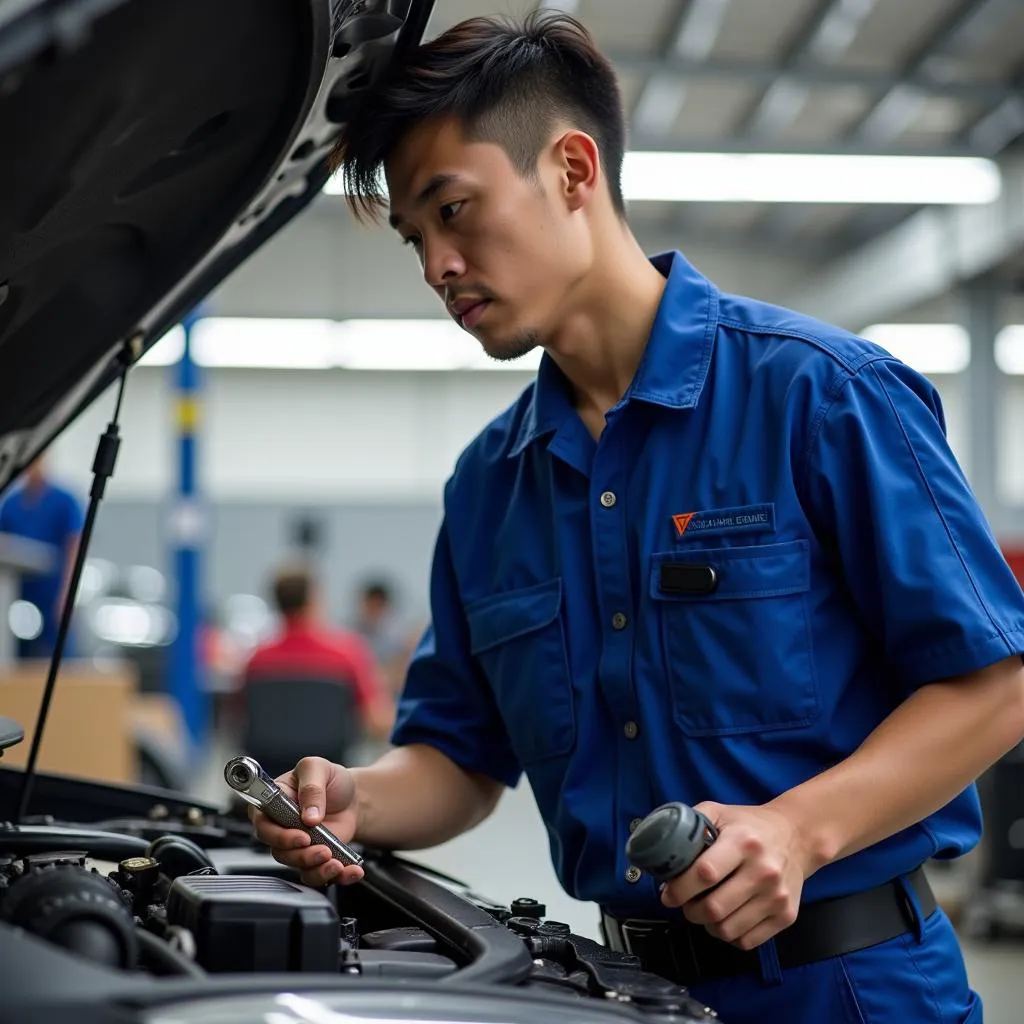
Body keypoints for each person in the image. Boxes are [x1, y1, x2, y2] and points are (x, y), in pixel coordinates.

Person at [251, 13, 1024, 1023]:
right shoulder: (491, 483)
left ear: (572, 169)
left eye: (455, 210)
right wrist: (360, 798)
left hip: (850, 988)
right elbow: (456, 757)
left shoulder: (819, 396)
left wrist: (798, 830)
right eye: (416, 238)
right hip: (619, 995)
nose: (437, 265)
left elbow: (994, 683)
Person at [240, 564, 394, 742]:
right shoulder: (346, 652)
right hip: (331, 765)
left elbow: (242, 717)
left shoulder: (257, 660)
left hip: (270, 764)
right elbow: (377, 720)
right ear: (313, 599)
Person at [0, 455, 84, 659]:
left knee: (58, 657)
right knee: (20, 659)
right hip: (20, 593)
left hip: (54, 591)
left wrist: (68, 594)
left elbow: (74, 546)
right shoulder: (12, 504)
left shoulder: (64, 501)